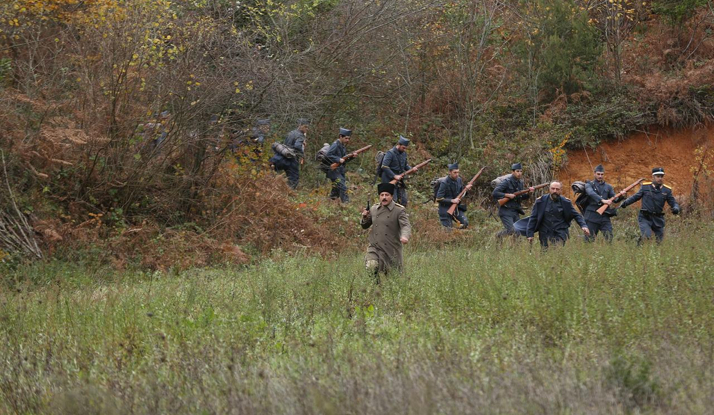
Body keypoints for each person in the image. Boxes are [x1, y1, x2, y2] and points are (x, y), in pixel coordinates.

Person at [361, 182, 412, 283]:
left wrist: (405, 236)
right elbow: (365, 225)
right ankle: (376, 286)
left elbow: (405, 225)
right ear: (379, 196)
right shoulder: (374, 209)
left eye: (387, 195)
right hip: (375, 247)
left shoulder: (399, 210)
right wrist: (364, 217)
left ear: (392, 196)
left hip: (391, 248)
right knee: (371, 266)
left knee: (394, 278)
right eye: (382, 195)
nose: (384, 197)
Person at [619, 167, 680, 243]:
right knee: (646, 236)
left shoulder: (666, 190)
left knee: (659, 242)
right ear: (653, 177)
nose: (660, 178)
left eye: (661, 176)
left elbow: (673, 202)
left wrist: (676, 208)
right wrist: (625, 203)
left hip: (658, 218)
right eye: (658, 176)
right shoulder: (645, 187)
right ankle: (639, 247)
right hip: (645, 217)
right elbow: (635, 197)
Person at [526, 181, 590, 248]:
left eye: (557, 189)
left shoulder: (566, 202)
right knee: (545, 253)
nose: (555, 191)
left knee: (558, 250)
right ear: (549, 189)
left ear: (561, 190)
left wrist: (583, 226)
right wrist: (530, 234)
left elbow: (576, 215)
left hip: (560, 232)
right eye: (553, 188)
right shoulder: (540, 201)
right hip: (545, 233)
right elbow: (533, 218)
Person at [492, 163, 534, 238]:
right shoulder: (506, 182)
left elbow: (520, 197)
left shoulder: (520, 182)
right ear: (513, 172)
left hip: (515, 210)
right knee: (511, 230)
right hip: (506, 210)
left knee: (518, 231)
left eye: (521, 171)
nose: (519, 173)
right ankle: (498, 236)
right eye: (517, 171)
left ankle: (515, 248)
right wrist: (507, 195)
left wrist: (529, 193)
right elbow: (495, 193)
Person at [583, 164, 622, 242]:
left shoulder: (608, 187)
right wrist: (602, 200)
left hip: (604, 216)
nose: (600, 176)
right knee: (588, 240)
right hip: (592, 216)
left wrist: (621, 195)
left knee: (609, 238)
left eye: (602, 174)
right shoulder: (588, 185)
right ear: (594, 174)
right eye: (598, 174)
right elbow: (591, 193)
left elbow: (615, 199)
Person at [270, 118, 309, 189]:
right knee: (294, 180)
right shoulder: (301, 135)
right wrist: (302, 153)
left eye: (307, 127)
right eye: (305, 127)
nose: (307, 129)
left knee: (272, 171)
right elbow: (297, 146)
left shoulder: (291, 133)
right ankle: (289, 196)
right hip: (292, 160)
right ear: (300, 126)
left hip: (283, 156)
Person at [435, 162, 472, 229]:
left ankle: (457, 235)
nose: (457, 174)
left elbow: (461, 194)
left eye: (458, 172)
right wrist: (452, 200)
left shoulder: (459, 180)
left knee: (465, 223)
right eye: (455, 172)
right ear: (450, 172)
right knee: (448, 230)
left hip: (456, 209)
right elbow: (438, 198)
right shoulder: (444, 183)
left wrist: (466, 190)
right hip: (445, 209)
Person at [380, 136, 413, 207]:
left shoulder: (403, 154)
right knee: (391, 200)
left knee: (403, 201)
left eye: (405, 148)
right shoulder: (390, 153)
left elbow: (405, 165)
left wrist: (411, 169)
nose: (404, 149)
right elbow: (384, 166)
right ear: (399, 144)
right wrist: (394, 176)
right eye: (403, 147)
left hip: (399, 179)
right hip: (388, 179)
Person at [323, 127, 352, 203]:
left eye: (348, 138)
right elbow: (328, 155)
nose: (347, 140)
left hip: (339, 170)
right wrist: (338, 159)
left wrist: (352, 157)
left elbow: (344, 159)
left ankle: (331, 203)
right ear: (340, 136)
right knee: (343, 187)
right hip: (334, 170)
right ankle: (346, 204)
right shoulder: (335, 145)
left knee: (336, 188)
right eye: (346, 138)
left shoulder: (342, 146)